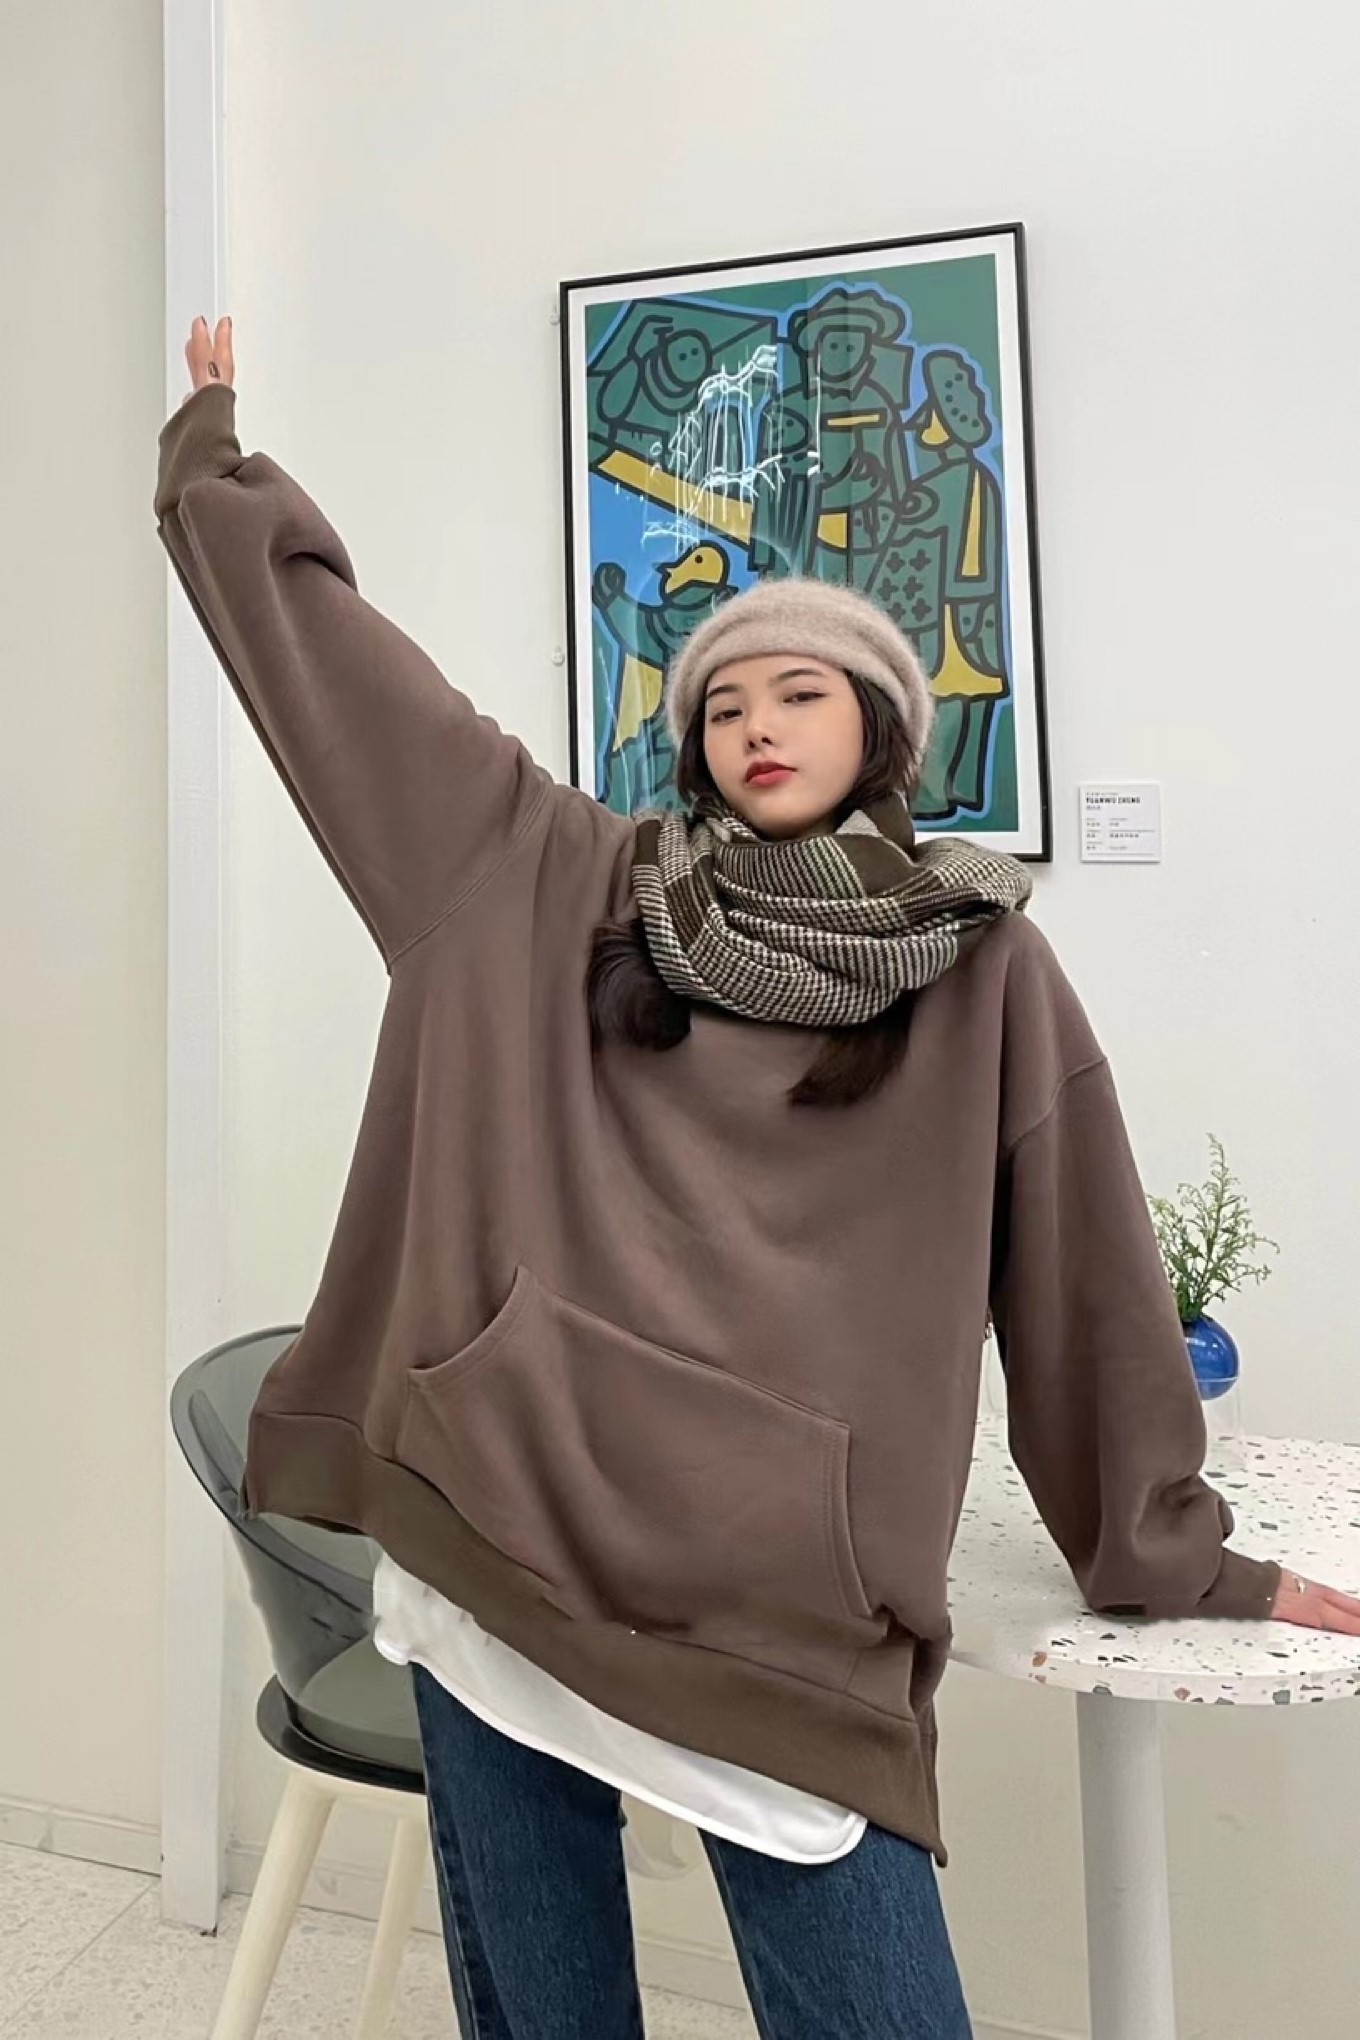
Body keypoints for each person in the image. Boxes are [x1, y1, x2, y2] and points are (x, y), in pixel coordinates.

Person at [158, 318, 1360, 2040]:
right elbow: (350, 689)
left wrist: (1169, 1551)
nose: (757, 722)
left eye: (801, 691)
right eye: (723, 702)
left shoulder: (984, 973)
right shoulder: (555, 882)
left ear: (881, 729)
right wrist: (215, 463)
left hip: (785, 1617)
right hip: (507, 1525)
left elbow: (1084, 1285)